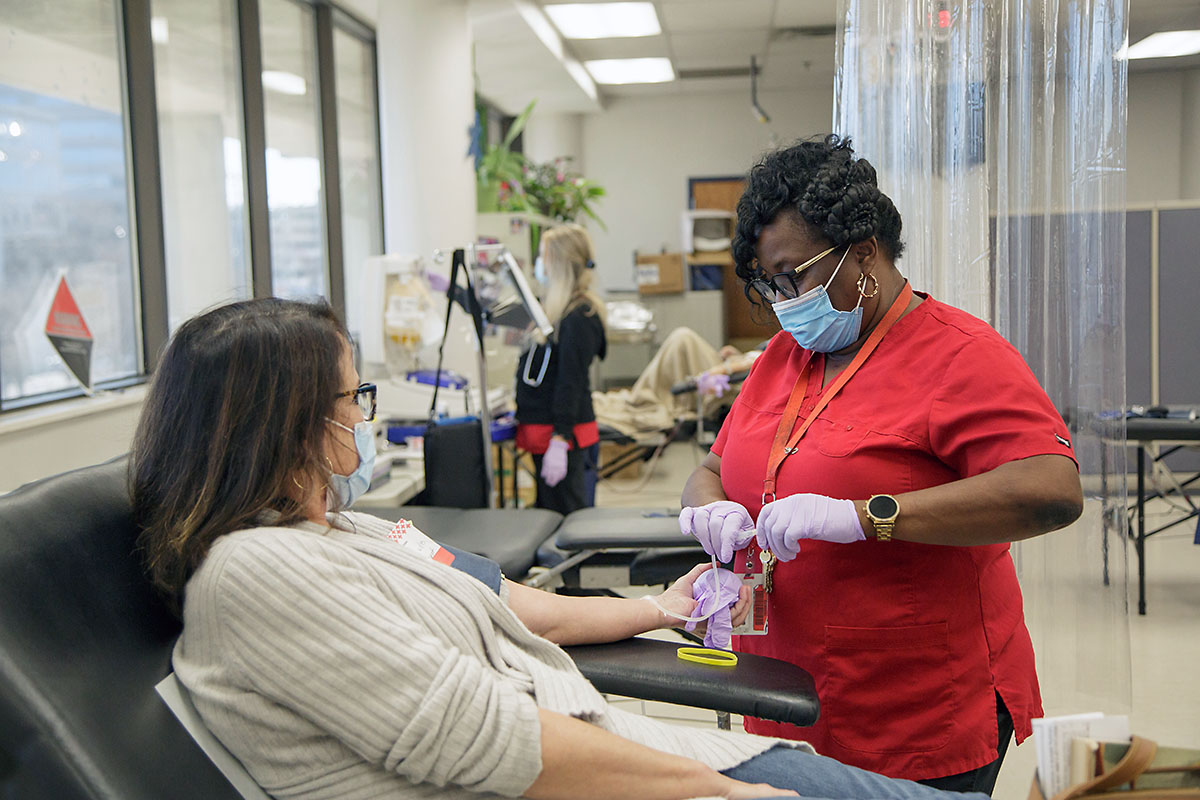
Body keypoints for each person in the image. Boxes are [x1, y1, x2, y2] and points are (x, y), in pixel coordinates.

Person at [131, 297, 991, 800]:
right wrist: (729, 795)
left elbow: (494, 594)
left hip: (599, 742)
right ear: (284, 424)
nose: (363, 412)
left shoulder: (339, 527)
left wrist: (656, 608)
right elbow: (489, 740)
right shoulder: (256, 574)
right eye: (352, 395)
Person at [679, 135, 1084, 795]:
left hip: (917, 713)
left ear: (863, 253)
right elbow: (716, 463)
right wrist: (707, 507)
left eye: (794, 278)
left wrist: (869, 517)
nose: (783, 302)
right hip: (787, 694)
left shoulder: (958, 354)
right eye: (767, 284)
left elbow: (1052, 489)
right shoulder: (787, 358)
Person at [515, 223, 607, 513]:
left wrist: (560, 439)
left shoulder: (579, 316)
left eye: (544, 256)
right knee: (549, 513)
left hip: (561, 436)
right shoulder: (557, 310)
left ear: (560, 263)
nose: (539, 264)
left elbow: (572, 381)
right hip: (547, 432)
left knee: (566, 517)